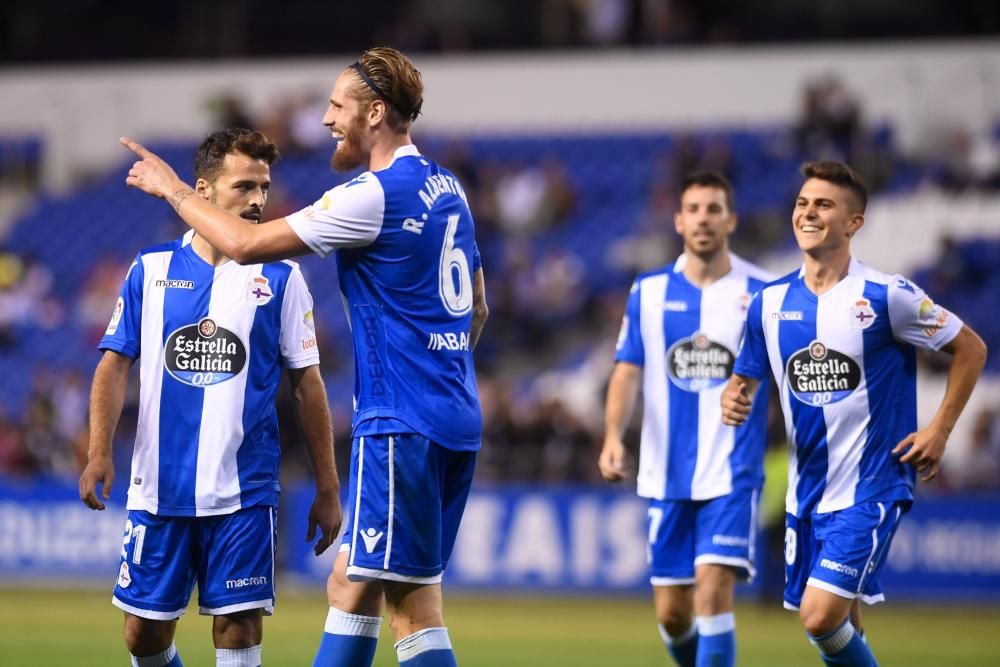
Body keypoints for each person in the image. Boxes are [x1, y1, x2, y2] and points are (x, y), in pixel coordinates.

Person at [118, 46, 488, 667]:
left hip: (402, 423)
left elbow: (244, 243)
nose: (325, 120)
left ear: (374, 113)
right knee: (355, 587)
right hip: (455, 416)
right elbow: (477, 308)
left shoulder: (371, 195)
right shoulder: (449, 188)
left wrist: (174, 190)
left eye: (338, 106)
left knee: (410, 608)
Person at [79, 128, 342, 667]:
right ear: (202, 189)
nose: (259, 200)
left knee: (239, 629)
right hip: (159, 488)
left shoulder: (282, 277)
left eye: (264, 188)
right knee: (142, 636)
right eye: (244, 186)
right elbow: (113, 365)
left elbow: (307, 384)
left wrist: (328, 483)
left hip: (244, 491)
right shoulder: (150, 271)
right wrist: (98, 451)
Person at [722, 161, 987, 666]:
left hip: (872, 485)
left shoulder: (889, 297)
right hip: (807, 492)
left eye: (823, 204)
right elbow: (745, 377)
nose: (808, 212)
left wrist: (940, 429)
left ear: (854, 223)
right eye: (802, 203)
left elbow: (971, 348)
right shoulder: (768, 303)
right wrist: (733, 396)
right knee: (838, 625)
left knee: (819, 617)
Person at [600, 170, 774, 667]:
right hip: (665, 472)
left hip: (731, 470)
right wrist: (613, 436)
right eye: (694, 209)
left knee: (712, 595)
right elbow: (626, 370)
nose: (703, 219)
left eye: (713, 209)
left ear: (731, 220)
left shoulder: (761, 292)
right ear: (678, 220)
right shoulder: (649, 291)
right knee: (674, 614)